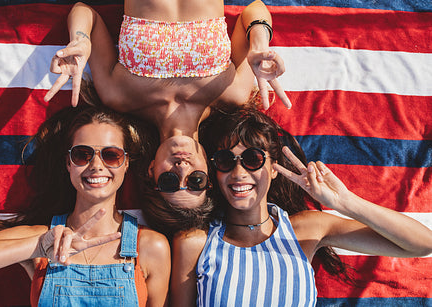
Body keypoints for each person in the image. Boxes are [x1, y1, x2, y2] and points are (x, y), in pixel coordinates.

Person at [170, 106, 432, 306]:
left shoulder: (306, 229)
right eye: (226, 160)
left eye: (252, 159)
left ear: (274, 169)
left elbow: (422, 243)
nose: (238, 173)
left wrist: (345, 202)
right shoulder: (194, 243)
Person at [43, 1, 289, 214]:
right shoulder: (233, 93)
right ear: (209, 171)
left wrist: (81, 40)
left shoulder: (118, 96)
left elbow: (85, 12)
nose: (182, 169)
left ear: (151, 171)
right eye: (196, 181)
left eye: (170, 181)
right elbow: (255, 9)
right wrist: (259, 43)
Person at [0, 105, 170, 307]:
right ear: (68, 163)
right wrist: (36, 248)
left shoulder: (150, 247)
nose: (96, 165)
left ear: (126, 162)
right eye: (82, 154)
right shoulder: (41, 238)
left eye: (111, 155)